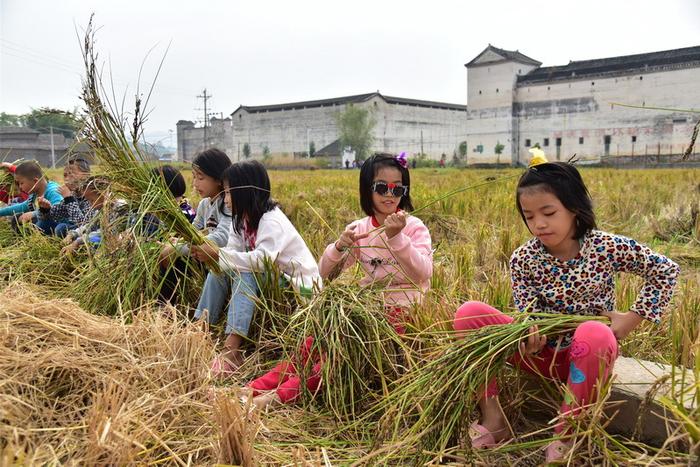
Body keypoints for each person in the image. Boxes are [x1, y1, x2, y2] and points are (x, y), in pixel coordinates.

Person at [452, 155, 680, 462]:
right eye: (529, 216)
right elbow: (526, 307)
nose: (539, 224)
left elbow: (666, 271)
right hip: (537, 354)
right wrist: (527, 328)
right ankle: (494, 418)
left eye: (548, 212)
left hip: (587, 357)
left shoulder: (605, 247)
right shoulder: (524, 258)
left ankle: (567, 434)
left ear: (573, 208)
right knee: (470, 313)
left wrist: (632, 318)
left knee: (594, 332)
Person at [248, 151, 433, 408]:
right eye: (382, 187)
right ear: (367, 190)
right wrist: (339, 247)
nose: (390, 195)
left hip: (403, 315)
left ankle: (275, 399)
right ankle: (252, 390)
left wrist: (397, 238)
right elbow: (323, 274)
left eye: (397, 188)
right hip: (367, 309)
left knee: (337, 357)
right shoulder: (359, 229)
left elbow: (423, 272)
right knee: (311, 345)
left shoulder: (413, 228)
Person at [191, 159, 321, 376]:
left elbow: (263, 261)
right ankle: (199, 329)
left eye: (230, 193)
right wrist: (216, 259)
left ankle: (232, 350)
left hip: (301, 286)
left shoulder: (271, 221)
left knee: (245, 271)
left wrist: (220, 254)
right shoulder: (240, 219)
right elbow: (233, 252)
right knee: (219, 270)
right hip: (271, 279)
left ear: (247, 192)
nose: (226, 199)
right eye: (225, 192)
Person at [0, 161, 63, 234]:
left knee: (38, 222)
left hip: (57, 225)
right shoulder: (34, 194)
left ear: (35, 181)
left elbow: (60, 209)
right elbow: (22, 206)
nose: (20, 187)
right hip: (41, 223)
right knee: (17, 218)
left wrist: (34, 214)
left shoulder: (53, 191)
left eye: (21, 183)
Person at [37, 158, 92, 237]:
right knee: (41, 224)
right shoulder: (73, 194)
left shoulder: (92, 195)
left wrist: (69, 199)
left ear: (86, 175)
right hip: (71, 225)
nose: (67, 178)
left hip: (85, 230)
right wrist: (45, 209)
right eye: (65, 175)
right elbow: (56, 215)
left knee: (61, 228)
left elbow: (82, 223)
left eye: (71, 174)